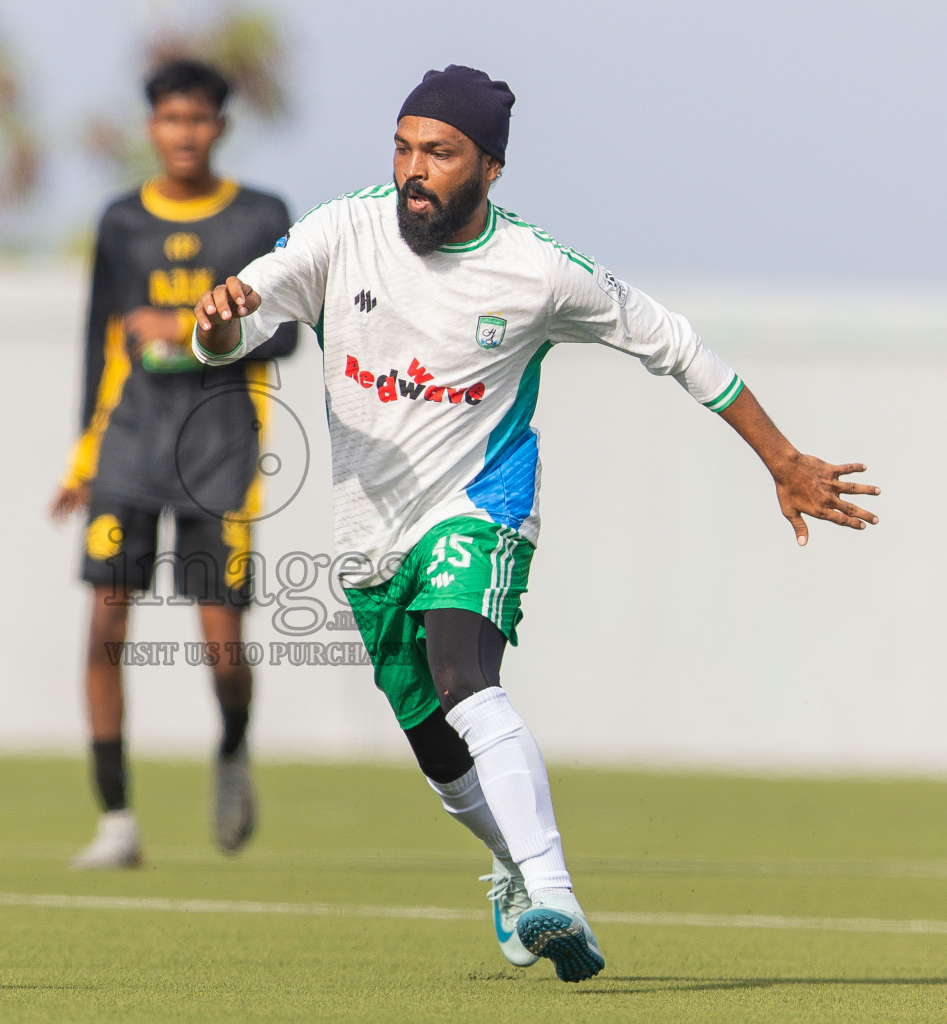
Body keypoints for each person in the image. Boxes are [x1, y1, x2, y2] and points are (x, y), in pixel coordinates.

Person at [191, 65, 879, 981]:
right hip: (367, 536)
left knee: (465, 678)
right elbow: (235, 323)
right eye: (402, 147)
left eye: (439, 152)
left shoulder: (539, 271)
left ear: (491, 166)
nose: (413, 170)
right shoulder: (341, 231)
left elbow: (674, 345)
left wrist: (781, 457)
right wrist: (216, 324)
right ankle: (513, 868)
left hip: (480, 507)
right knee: (438, 752)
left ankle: (554, 892)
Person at [51, 58, 297, 870]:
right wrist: (81, 455)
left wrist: (199, 323)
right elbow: (101, 337)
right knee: (105, 625)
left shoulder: (260, 218)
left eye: (198, 120)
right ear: (150, 127)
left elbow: (290, 330)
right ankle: (116, 819)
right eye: (168, 120)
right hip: (127, 450)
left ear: (221, 128)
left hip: (217, 453)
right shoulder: (122, 221)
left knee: (222, 642)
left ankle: (232, 748)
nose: (183, 134)